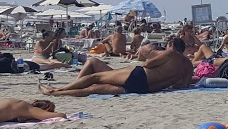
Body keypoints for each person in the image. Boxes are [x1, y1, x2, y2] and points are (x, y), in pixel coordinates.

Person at [43, 36, 193, 97]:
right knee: (93, 89)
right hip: (146, 89)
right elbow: (183, 85)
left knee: (95, 77)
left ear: (172, 45)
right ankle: (57, 94)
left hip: (140, 76)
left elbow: (147, 64)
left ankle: (59, 89)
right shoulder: (188, 66)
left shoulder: (171, 53)